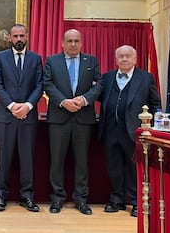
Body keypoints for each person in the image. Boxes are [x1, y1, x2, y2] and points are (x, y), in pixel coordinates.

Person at [43, 29, 102, 216]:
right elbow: (47, 84)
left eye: (76, 41)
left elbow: (99, 84)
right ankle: (57, 199)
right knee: (57, 161)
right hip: (59, 118)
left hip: (83, 118)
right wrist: (63, 101)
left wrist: (84, 99)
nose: (73, 44)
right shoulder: (52, 61)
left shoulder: (91, 61)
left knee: (82, 161)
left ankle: (81, 199)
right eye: (69, 40)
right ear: (62, 43)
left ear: (81, 43)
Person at [98, 45, 161, 217]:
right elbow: (96, 95)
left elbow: (155, 104)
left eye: (128, 56)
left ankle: (135, 202)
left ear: (135, 59)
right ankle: (116, 200)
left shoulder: (146, 78)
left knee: (134, 168)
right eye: (121, 56)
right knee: (113, 167)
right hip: (110, 129)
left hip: (134, 131)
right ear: (116, 59)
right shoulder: (108, 77)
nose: (124, 59)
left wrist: (153, 125)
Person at [0, 24, 42, 212]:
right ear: (10, 38)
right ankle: (1, 197)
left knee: (27, 159)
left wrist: (27, 106)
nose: (19, 39)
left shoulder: (36, 59)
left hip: (28, 117)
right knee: (3, 158)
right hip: (6, 116)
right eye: (15, 36)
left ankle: (27, 196)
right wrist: (12, 106)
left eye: (22, 35)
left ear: (27, 36)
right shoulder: (0, 58)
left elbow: (39, 85)